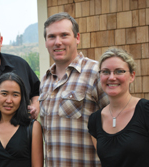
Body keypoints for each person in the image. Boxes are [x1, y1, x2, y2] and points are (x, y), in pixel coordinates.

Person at [39, 12, 109, 167]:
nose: (57, 42)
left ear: (77, 38)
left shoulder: (96, 72)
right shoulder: (45, 81)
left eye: (64, 35)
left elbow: (119, 123)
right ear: (45, 42)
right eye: (51, 37)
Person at [88, 48, 149, 166]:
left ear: (132, 76)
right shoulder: (95, 120)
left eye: (119, 71)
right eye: (105, 72)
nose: (111, 77)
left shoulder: (146, 110)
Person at [0, 72, 43, 167]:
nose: (9, 100)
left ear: (21, 98)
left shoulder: (33, 128)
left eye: (15, 95)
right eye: (4, 94)